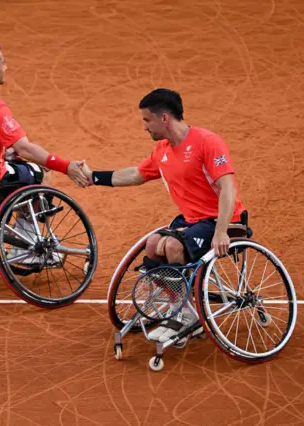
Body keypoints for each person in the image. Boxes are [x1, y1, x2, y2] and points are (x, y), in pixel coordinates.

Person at [79, 88, 248, 346]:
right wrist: (95, 177)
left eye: (147, 120)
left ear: (165, 118)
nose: (145, 127)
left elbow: (228, 187)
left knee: (171, 245)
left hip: (223, 219)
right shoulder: (163, 150)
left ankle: (186, 315)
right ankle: (181, 307)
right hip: (191, 221)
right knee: (152, 245)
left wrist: (222, 230)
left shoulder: (207, 142)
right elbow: (136, 175)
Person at [0, 41, 89, 264]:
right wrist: (65, 166)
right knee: (39, 172)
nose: (6, 67)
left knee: (15, 161)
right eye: (3, 62)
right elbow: (25, 148)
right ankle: (28, 242)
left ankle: (28, 232)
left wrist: (3, 154)